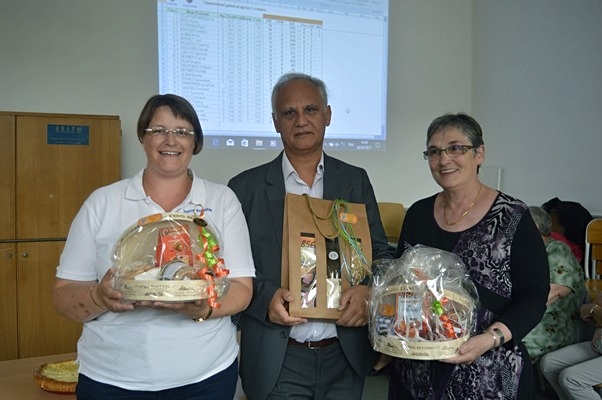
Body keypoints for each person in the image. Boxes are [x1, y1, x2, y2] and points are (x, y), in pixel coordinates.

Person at [53, 94, 255, 399]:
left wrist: (203, 308)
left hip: (206, 378)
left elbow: (241, 287)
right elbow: (63, 295)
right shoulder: (103, 202)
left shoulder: (221, 200)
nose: (170, 140)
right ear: (143, 137)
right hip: (111, 380)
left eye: (182, 131)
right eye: (158, 130)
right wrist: (99, 297)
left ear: (195, 142)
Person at [228, 72, 395, 400]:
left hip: (343, 354)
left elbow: (381, 253)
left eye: (311, 110)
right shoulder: (245, 188)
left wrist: (367, 291)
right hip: (279, 358)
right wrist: (265, 301)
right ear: (276, 122)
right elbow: (231, 269)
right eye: (289, 113)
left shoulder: (354, 181)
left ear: (328, 115)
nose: (300, 120)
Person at [390, 113, 550, 399]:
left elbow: (535, 296)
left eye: (456, 148)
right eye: (434, 151)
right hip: (417, 369)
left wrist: (490, 339)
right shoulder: (416, 214)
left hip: (490, 374)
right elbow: (404, 287)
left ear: (480, 154)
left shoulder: (513, 217)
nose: (444, 159)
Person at [523, 206, 585, 362]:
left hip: (551, 325)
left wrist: (517, 312)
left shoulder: (557, 249)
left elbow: (556, 291)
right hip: (531, 318)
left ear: (534, 228)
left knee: (504, 343)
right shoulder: (529, 250)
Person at [540, 293, 602, 400]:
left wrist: (594, 310)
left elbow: (596, 310)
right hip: (599, 344)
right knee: (549, 363)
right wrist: (594, 309)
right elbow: (595, 304)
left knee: (571, 378)